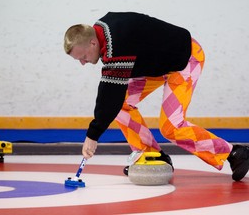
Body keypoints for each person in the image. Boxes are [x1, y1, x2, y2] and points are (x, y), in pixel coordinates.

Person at [63, 12, 249, 181]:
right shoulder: (99, 33)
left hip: (185, 60)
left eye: (83, 57)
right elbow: (112, 93)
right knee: (121, 105)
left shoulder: (116, 44)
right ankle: (151, 154)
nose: (82, 63)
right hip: (158, 66)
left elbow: (109, 93)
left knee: (171, 127)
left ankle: (234, 153)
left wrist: (92, 135)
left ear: (93, 43)